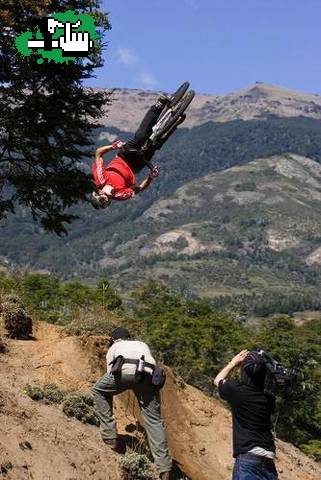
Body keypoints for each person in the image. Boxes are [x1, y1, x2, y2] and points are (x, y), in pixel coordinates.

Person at [92, 327, 172, 480]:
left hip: (125, 371)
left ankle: (110, 436)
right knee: (154, 420)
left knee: (99, 391)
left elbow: (112, 371)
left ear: (114, 340)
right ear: (129, 337)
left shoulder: (114, 347)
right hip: (148, 376)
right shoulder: (142, 344)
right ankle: (165, 467)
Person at [91, 95, 171, 208]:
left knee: (140, 137)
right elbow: (140, 188)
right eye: (107, 203)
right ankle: (173, 125)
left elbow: (98, 154)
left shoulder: (101, 179)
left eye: (103, 200)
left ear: (99, 193)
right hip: (136, 166)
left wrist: (113, 146)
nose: (108, 199)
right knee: (156, 145)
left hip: (124, 156)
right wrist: (151, 177)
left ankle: (158, 106)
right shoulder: (120, 195)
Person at [214, 350, 278, 480]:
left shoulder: (236, 390)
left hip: (248, 459)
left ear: (244, 371)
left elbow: (218, 380)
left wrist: (233, 363)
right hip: (268, 460)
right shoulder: (268, 398)